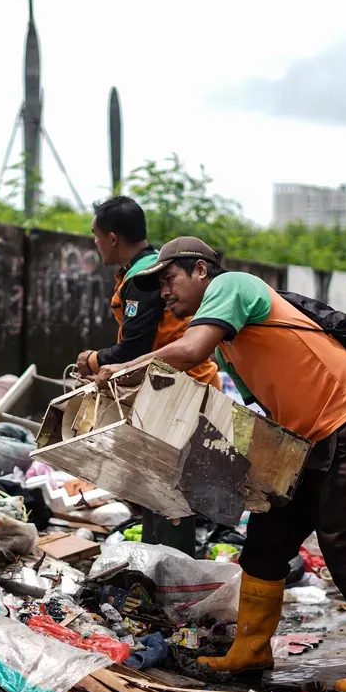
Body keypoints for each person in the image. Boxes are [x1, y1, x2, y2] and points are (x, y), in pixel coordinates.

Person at [94, 237, 346, 692]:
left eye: (168, 280)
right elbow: (254, 407)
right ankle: (250, 651)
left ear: (201, 270)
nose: (163, 293)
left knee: (344, 548)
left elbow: (189, 351)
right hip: (307, 438)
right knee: (265, 544)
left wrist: (121, 367)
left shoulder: (232, 286)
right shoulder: (232, 345)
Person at [75, 197, 221, 558]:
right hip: (169, 387)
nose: (95, 245)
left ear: (111, 237)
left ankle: (172, 581)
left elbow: (132, 348)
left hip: (180, 392)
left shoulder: (143, 279)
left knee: (169, 495)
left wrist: (92, 360)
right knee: (154, 489)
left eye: (95, 236)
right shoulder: (145, 272)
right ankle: (156, 573)